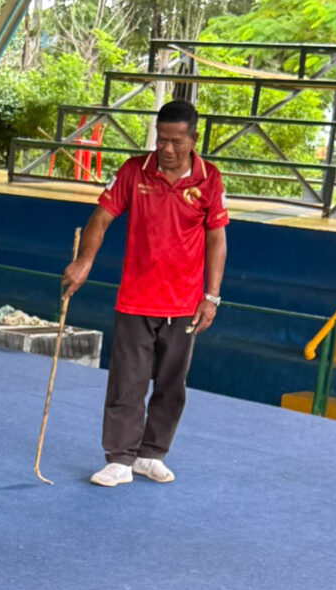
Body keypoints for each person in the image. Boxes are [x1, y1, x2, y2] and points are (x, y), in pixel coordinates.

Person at [61, 99, 228, 488]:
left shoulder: (210, 178)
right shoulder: (134, 171)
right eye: (161, 140)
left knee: (172, 384)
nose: (167, 150)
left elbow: (216, 237)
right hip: (136, 298)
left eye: (176, 142)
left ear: (193, 139)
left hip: (185, 303)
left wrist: (212, 296)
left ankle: (151, 454)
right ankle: (119, 458)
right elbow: (101, 218)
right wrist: (85, 261)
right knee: (127, 381)